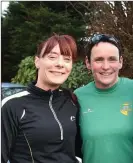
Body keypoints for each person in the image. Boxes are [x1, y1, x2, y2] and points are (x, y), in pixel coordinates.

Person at [1, 34, 82, 163]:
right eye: (52, 57)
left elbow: (78, 152)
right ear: (37, 61)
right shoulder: (12, 105)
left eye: (67, 59)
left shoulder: (72, 102)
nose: (60, 64)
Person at [74, 34, 133, 163]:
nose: (106, 66)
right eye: (99, 59)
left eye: (112, 59)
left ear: (120, 62)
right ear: (88, 63)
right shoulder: (77, 97)